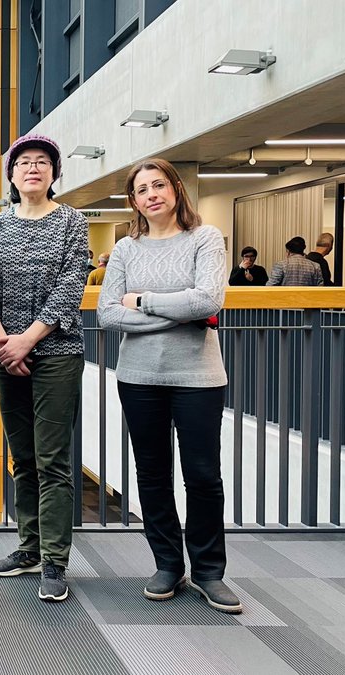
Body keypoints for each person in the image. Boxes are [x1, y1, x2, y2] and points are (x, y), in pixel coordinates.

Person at [96, 157, 242, 614]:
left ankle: (208, 572)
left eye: (159, 184)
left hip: (198, 376)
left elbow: (208, 299)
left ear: (176, 188)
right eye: (142, 189)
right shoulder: (125, 248)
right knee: (152, 474)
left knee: (202, 476)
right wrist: (182, 317)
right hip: (139, 377)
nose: (152, 194)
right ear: (134, 201)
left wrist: (143, 301)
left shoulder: (205, 238)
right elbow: (107, 314)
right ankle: (166, 563)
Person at [0, 134, 88, 603]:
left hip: (57, 352)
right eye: (23, 162)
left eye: (42, 162)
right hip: (5, 350)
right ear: (11, 173)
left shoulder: (72, 221)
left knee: (53, 460)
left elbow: (70, 284)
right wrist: (3, 340)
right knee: (22, 456)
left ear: (54, 172)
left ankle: (54, 560)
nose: (32, 168)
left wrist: (27, 340)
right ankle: (27, 547)